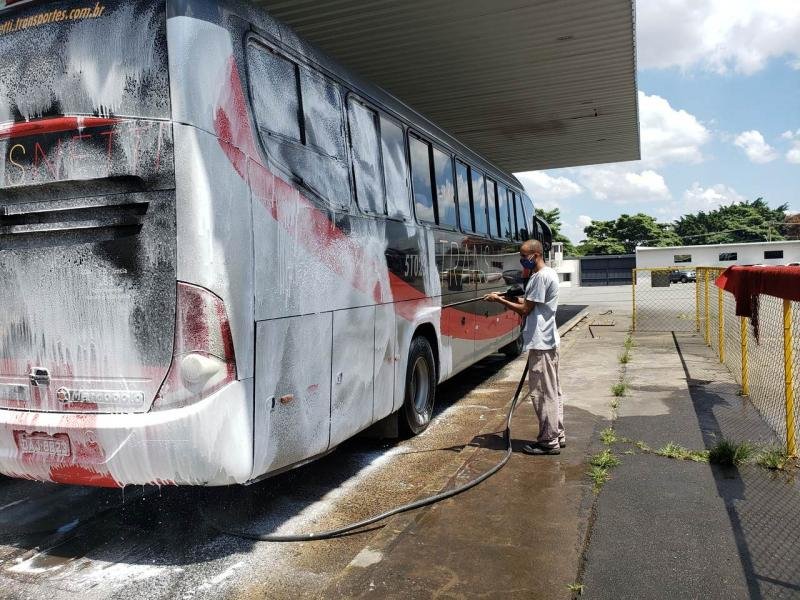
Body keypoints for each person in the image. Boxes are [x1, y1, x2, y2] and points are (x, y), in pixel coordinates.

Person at [484, 239, 564, 455]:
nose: (522, 260)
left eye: (524, 256)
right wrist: (507, 296)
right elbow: (532, 302)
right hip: (549, 341)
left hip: (541, 342)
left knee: (542, 393)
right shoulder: (549, 273)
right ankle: (558, 434)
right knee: (553, 390)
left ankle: (549, 442)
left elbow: (525, 310)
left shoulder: (539, 277)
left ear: (535, 255)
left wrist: (498, 301)